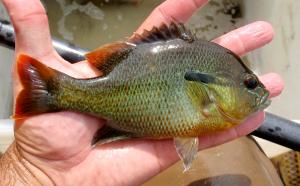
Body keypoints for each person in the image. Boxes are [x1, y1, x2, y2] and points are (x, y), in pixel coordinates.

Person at [0, 0, 284, 185]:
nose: (257, 90)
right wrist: (32, 171)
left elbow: (190, 131)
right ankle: (56, 92)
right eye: (248, 84)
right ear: (214, 88)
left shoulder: (215, 93)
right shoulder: (211, 93)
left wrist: (33, 175)